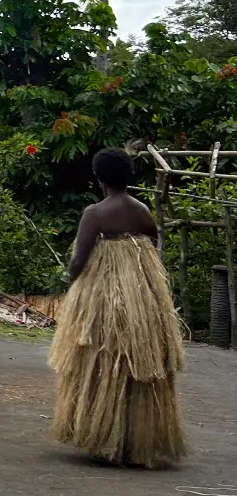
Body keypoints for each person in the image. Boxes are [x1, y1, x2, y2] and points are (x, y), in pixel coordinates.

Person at [49, 147, 186, 468]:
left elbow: (79, 258)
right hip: (143, 301)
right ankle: (133, 439)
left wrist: (73, 282)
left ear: (99, 178)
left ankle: (103, 434)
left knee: (103, 361)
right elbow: (152, 245)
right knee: (139, 367)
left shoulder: (95, 213)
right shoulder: (141, 210)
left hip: (105, 302)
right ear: (128, 176)